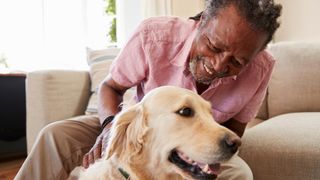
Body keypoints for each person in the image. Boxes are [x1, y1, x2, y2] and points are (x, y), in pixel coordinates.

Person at [15, 0, 282, 179]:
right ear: (201, 22)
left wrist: (196, 158)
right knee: (55, 136)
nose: (218, 64)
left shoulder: (260, 69)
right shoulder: (154, 36)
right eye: (213, 46)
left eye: (237, 62)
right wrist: (110, 127)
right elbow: (111, 87)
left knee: (239, 174)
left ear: (256, 55)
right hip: (135, 124)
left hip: (198, 142)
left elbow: (234, 131)